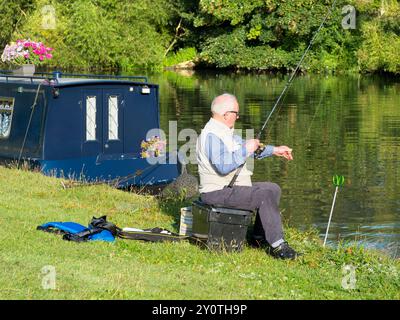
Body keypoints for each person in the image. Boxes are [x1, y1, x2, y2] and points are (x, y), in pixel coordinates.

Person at [196, 93, 300, 260]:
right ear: (226, 115)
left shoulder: (225, 132)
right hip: (216, 192)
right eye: (236, 113)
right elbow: (223, 166)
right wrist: (245, 149)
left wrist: (275, 150)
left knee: (272, 189)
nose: (238, 117)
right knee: (263, 195)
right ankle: (279, 247)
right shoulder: (211, 135)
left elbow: (249, 147)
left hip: (230, 188)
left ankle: (258, 238)